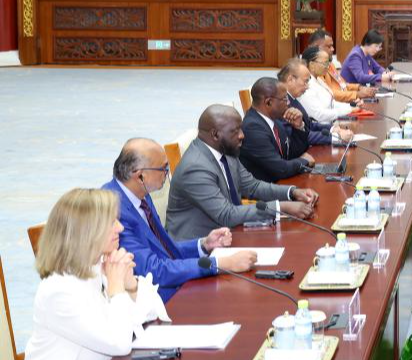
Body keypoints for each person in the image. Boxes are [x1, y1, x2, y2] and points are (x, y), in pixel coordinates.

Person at [101, 138, 257, 301]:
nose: (167, 174)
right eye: (163, 168)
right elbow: (154, 270)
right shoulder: (114, 209)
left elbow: (164, 249)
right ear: (140, 176)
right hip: (158, 300)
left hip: (175, 283)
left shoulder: (141, 194)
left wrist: (204, 245)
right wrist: (221, 263)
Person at [25, 188, 170, 360]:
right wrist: (117, 288)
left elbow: (154, 312)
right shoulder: (58, 291)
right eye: (111, 222)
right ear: (85, 232)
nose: (120, 227)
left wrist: (131, 286)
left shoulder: (97, 265)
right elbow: (119, 344)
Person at [166, 104, 319, 240]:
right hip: (199, 248)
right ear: (215, 135)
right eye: (235, 131)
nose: (242, 135)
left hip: (230, 234)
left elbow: (252, 186)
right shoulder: (195, 168)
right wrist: (281, 207)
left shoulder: (225, 150)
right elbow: (227, 215)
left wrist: (292, 192)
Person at [239, 77, 314, 182]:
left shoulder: (275, 120)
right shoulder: (253, 129)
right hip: (266, 192)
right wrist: (304, 161)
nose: (288, 103)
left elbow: (292, 153)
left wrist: (298, 127)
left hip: (282, 182)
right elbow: (280, 169)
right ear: (268, 102)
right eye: (284, 99)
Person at [279, 58, 354, 145]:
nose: (307, 87)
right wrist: (336, 137)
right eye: (305, 81)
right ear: (290, 79)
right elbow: (298, 135)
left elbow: (308, 125)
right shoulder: (280, 102)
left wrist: (332, 129)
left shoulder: (292, 98)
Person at [307, 29, 375, 103]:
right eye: (329, 47)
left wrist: (360, 87)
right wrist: (357, 94)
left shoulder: (330, 64)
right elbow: (328, 93)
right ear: (316, 47)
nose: (333, 49)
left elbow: (342, 84)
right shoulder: (315, 67)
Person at [299, 46, 358, 124]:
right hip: (321, 130)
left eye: (328, 63)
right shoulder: (306, 86)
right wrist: (347, 110)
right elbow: (318, 114)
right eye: (325, 63)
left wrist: (352, 106)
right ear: (312, 65)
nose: (328, 66)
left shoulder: (318, 80)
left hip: (331, 123)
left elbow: (331, 103)